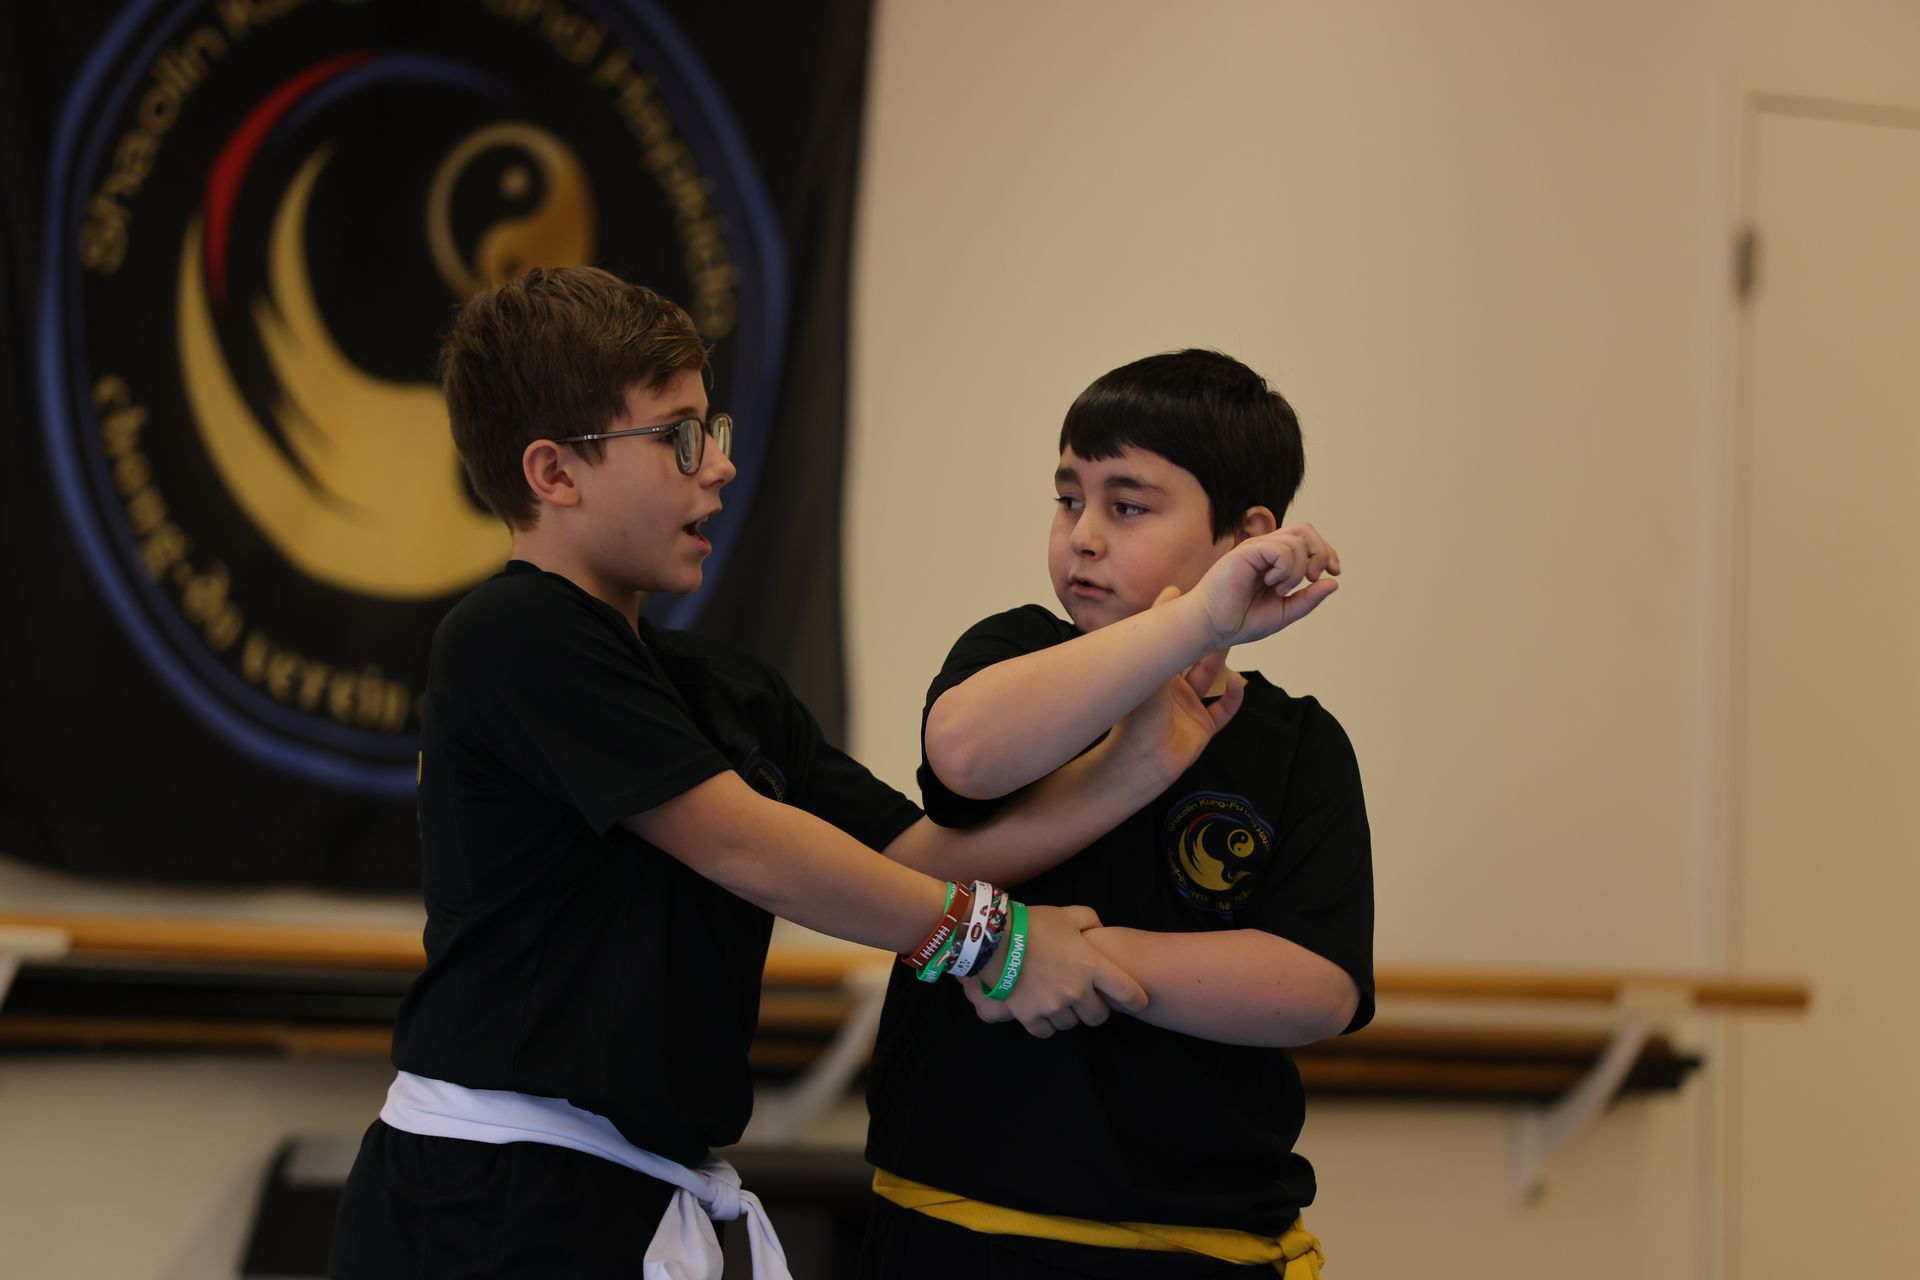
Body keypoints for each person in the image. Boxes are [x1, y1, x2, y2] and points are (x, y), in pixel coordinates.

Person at [328, 267, 1202, 1279]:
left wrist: (1130, 769)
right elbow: (744, 846)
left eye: (714, 429)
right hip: (492, 1196)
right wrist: (993, 942)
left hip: (638, 1186)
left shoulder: (725, 687)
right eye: (679, 437)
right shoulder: (512, 634)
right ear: (556, 473)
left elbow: (916, 855)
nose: (720, 467)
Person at [862, 349, 1374, 1279]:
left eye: (1127, 506)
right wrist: (1193, 624)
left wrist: (1051, 953)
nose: (1084, 537)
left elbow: (1316, 989)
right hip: (956, 1229)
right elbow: (964, 757)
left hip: (1199, 1242)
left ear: (1245, 539)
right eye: (1069, 500)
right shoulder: (1019, 652)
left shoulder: (1299, 745)